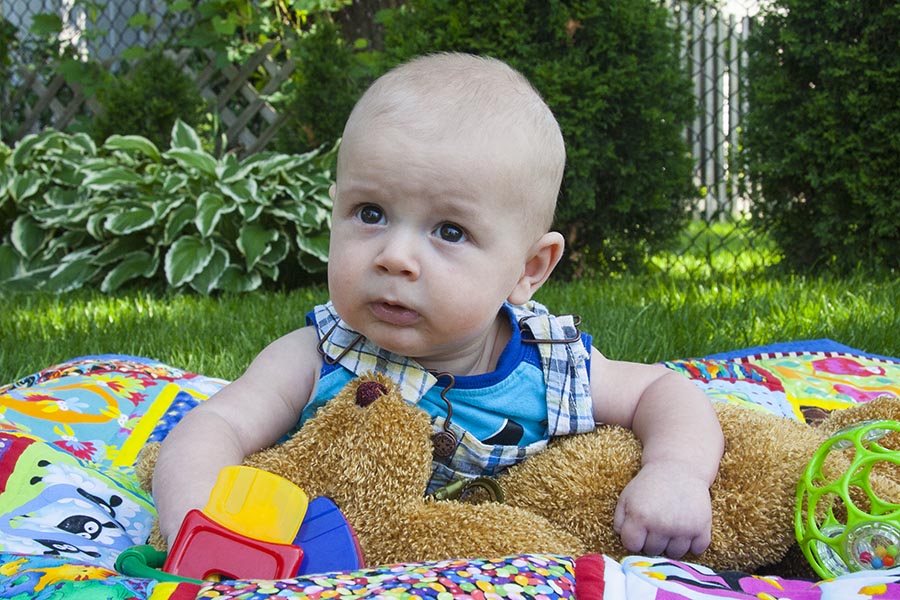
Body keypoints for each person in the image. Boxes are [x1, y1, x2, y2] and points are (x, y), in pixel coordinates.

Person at [152, 52, 724, 560]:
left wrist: (676, 473)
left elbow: (663, 391)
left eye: (449, 231)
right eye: (370, 213)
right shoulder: (320, 354)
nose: (395, 256)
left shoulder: (549, 366)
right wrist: (199, 520)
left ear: (528, 270)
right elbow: (215, 425)